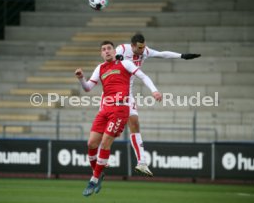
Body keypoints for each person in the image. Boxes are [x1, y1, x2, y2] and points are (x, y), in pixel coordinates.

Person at [75, 40, 162, 197]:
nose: (107, 51)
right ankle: (98, 173)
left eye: (109, 48)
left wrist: (154, 91)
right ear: (101, 53)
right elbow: (88, 87)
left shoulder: (126, 64)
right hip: (105, 109)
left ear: (115, 51)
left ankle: (93, 180)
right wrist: (81, 78)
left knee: (105, 143)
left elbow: (143, 76)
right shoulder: (100, 68)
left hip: (120, 108)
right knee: (91, 143)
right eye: (103, 49)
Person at [115, 33, 201, 177]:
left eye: (144, 46)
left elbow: (163, 54)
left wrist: (182, 56)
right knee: (110, 128)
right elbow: (108, 59)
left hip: (127, 94)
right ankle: (100, 156)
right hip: (112, 92)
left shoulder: (145, 51)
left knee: (135, 123)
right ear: (133, 46)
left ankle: (142, 162)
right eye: (140, 47)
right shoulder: (121, 50)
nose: (143, 50)